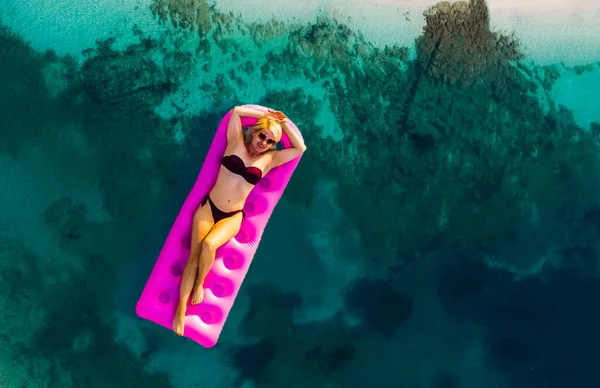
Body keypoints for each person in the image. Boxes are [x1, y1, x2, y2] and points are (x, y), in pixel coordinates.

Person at [173, 105, 307, 336]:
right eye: (261, 135)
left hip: (233, 216)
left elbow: (300, 148)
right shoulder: (234, 142)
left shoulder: (269, 160)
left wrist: (283, 124)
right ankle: (180, 310)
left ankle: (199, 286)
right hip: (208, 207)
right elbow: (236, 112)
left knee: (209, 245)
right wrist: (266, 116)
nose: (263, 142)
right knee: (193, 258)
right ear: (253, 132)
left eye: (269, 141)